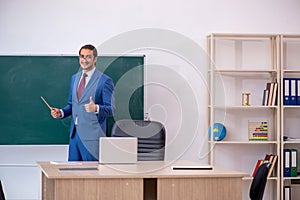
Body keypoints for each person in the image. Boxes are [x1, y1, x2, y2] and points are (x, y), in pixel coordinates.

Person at [51, 44, 115, 161]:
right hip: (75, 137)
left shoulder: (105, 81)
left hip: (92, 138)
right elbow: (72, 105)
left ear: (95, 59)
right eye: (82, 56)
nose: (84, 60)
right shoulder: (74, 78)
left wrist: (96, 108)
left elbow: (111, 110)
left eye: (88, 57)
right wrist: (61, 112)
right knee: (72, 175)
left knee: (92, 175)